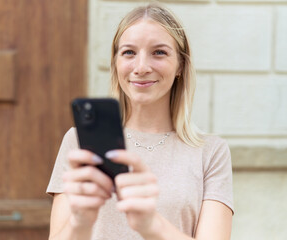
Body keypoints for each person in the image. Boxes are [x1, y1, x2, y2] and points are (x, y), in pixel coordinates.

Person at [47, 4, 233, 240]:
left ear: (181, 66)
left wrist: (150, 224)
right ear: (115, 62)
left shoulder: (210, 152)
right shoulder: (79, 141)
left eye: (159, 52)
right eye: (129, 52)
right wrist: (80, 221)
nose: (141, 67)